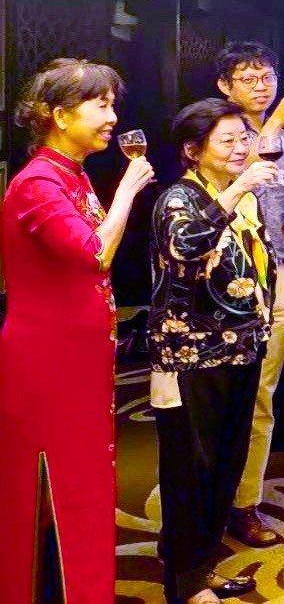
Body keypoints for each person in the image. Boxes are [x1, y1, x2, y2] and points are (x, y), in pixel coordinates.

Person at [0, 59, 154, 604]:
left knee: (85, 478)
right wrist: (128, 189)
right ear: (59, 116)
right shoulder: (37, 183)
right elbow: (93, 255)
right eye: (100, 105)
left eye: (113, 104)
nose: (113, 117)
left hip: (78, 356)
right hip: (47, 362)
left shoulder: (72, 175)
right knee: (56, 482)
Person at [149, 99, 278, 604]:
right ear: (192, 149)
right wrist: (238, 189)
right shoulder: (178, 198)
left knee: (225, 466)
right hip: (191, 355)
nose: (241, 147)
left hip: (239, 349)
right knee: (190, 471)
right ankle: (184, 583)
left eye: (244, 138)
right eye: (227, 140)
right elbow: (185, 246)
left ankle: (202, 567)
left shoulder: (233, 195)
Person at [213, 41, 284, 548]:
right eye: (248, 79)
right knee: (224, 393)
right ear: (224, 86)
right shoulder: (220, 132)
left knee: (263, 392)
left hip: (278, 272)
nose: (261, 86)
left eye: (267, 77)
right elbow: (236, 182)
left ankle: (244, 501)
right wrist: (272, 125)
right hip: (231, 277)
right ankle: (212, 496)